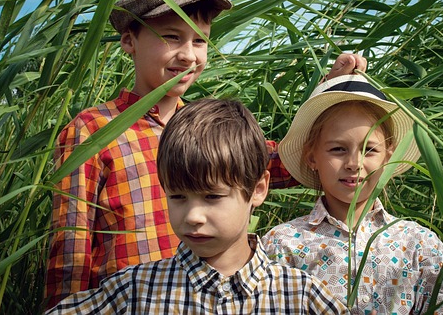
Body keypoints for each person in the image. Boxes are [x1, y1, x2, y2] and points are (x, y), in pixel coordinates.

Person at [44, 0, 365, 308]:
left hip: (208, 298)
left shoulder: (201, 126)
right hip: (132, 301)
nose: (189, 55)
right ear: (129, 40)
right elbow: (71, 243)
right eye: (171, 37)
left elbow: (284, 161)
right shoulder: (94, 129)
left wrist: (329, 91)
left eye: (199, 40)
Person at [46, 98, 350, 314]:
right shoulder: (133, 291)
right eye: (178, 197)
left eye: (212, 197)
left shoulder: (298, 294)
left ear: (258, 189)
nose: (192, 216)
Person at [261, 74, 443, 315]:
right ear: (312, 157)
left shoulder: (419, 244)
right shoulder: (282, 244)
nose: (354, 163)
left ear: (388, 156)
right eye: (338, 149)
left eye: (369, 150)